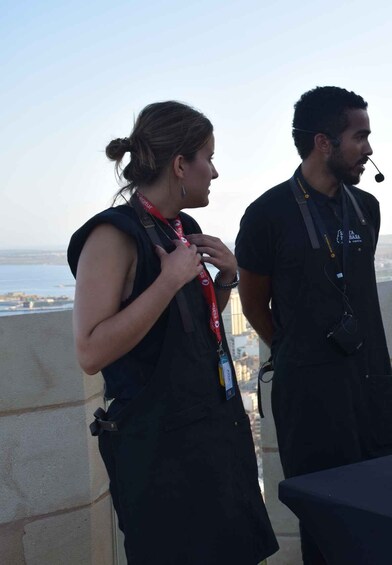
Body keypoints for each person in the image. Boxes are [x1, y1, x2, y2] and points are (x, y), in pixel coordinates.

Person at [67, 101, 278, 564]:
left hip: (212, 437)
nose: (216, 172)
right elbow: (90, 351)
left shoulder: (184, 229)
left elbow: (188, 326)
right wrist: (167, 280)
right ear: (181, 165)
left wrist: (225, 280)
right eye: (209, 157)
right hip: (162, 456)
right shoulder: (113, 235)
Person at [235, 86, 392, 564]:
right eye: (360, 136)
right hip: (312, 402)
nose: (369, 149)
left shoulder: (366, 208)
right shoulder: (266, 215)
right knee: (327, 530)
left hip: (375, 389)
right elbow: (253, 304)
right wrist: (300, 353)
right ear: (323, 142)